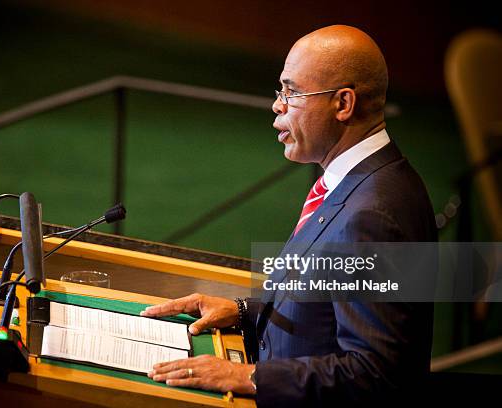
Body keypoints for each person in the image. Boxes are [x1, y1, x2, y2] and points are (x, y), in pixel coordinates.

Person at [141, 25, 436, 406]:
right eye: (280, 91)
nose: (278, 105)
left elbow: (375, 373)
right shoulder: (359, 180)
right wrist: (245, 312)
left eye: (292, 92)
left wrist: (247, 375)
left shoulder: (373, 214)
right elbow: (326, 300)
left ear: (343, 104)